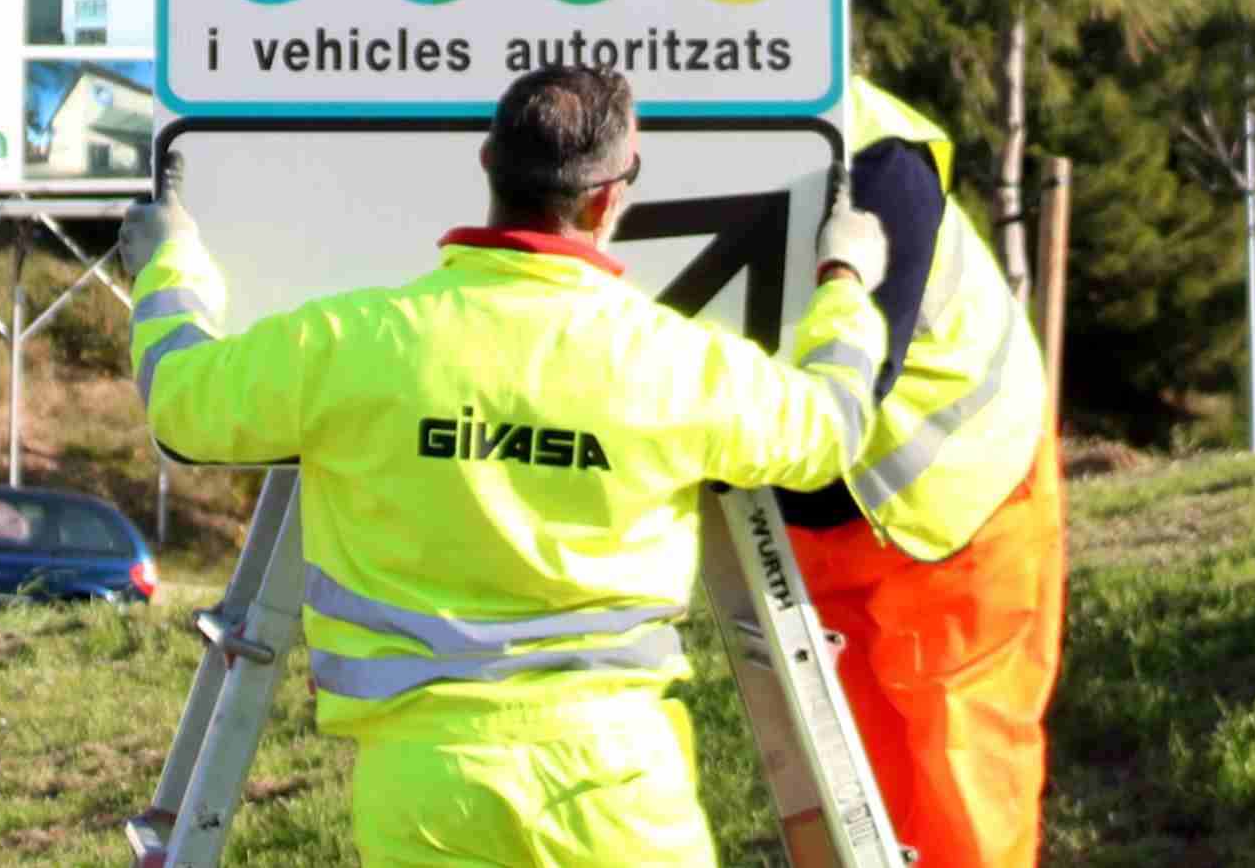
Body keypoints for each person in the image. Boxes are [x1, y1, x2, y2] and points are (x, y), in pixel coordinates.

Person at [119, 64, 891, 868]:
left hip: (424, 782)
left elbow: (180, 400)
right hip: (618, 784)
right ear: (609, 196)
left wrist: (167, 264)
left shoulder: (351, 343)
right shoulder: (672, 364)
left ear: (488, 164)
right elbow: (832, 427)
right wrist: (843, 282)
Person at [775, 73, 1066, 868]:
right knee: (860, 806)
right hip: (815, 515)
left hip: (960, 502)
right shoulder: (671, 137)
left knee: (959, 785)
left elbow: (850, 385)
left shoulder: (878, 160)